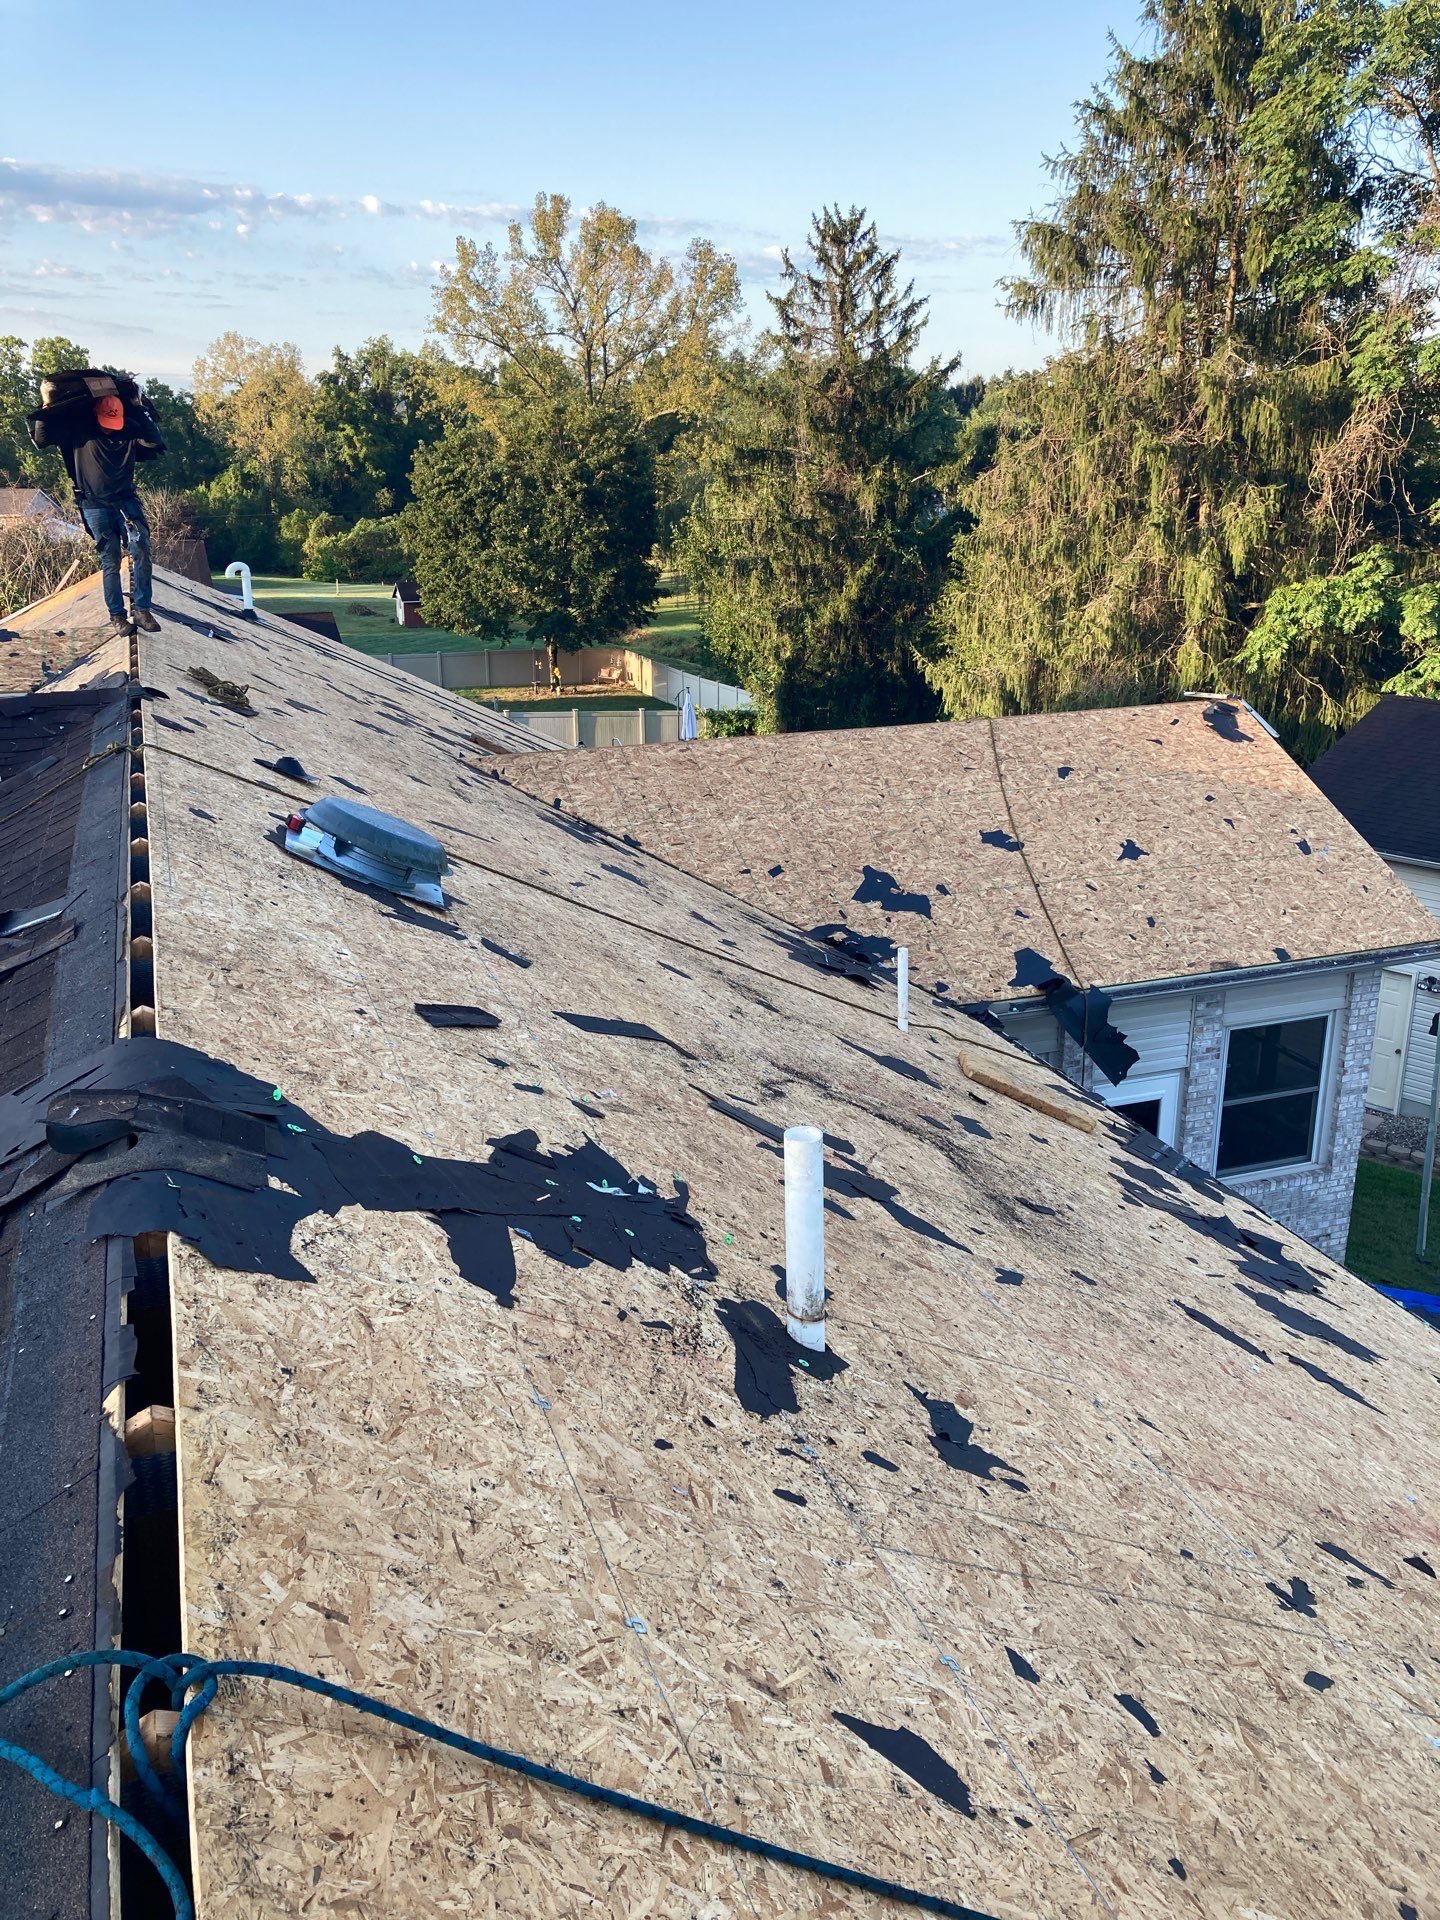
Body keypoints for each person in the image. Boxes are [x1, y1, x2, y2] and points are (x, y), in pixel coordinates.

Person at [31, 382, 166, 638]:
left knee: (142, 549)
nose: (111, 428)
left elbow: (154, 441)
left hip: (126, 502)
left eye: (115, 422)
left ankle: (142, 610)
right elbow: (42, 439)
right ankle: (117, 616)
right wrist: (47, 402)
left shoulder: (129, 428)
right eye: (107, 422)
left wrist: (137, 406)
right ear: (96, 413)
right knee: (110, 559)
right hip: (94, 505)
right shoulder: (79, 430)